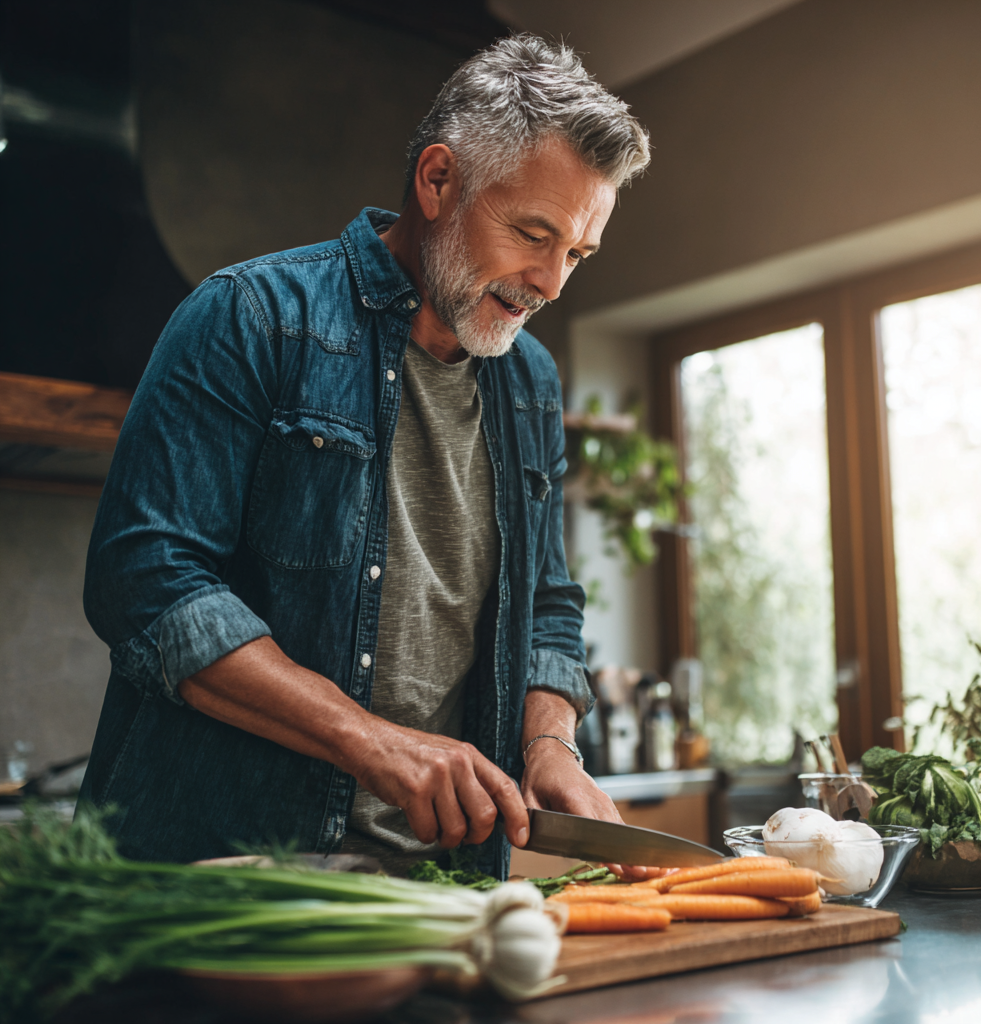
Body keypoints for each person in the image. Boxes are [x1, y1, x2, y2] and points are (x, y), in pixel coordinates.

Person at [79, 34, 651, 877]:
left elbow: (550, 606)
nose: (554, 282)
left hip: (444, 898)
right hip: (218, 881)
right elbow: (149, 586)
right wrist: (371, 743)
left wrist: (550, 744)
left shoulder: (528, 378)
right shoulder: (249, 318)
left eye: (576, 252)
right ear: (437, 180)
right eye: (534, 233)